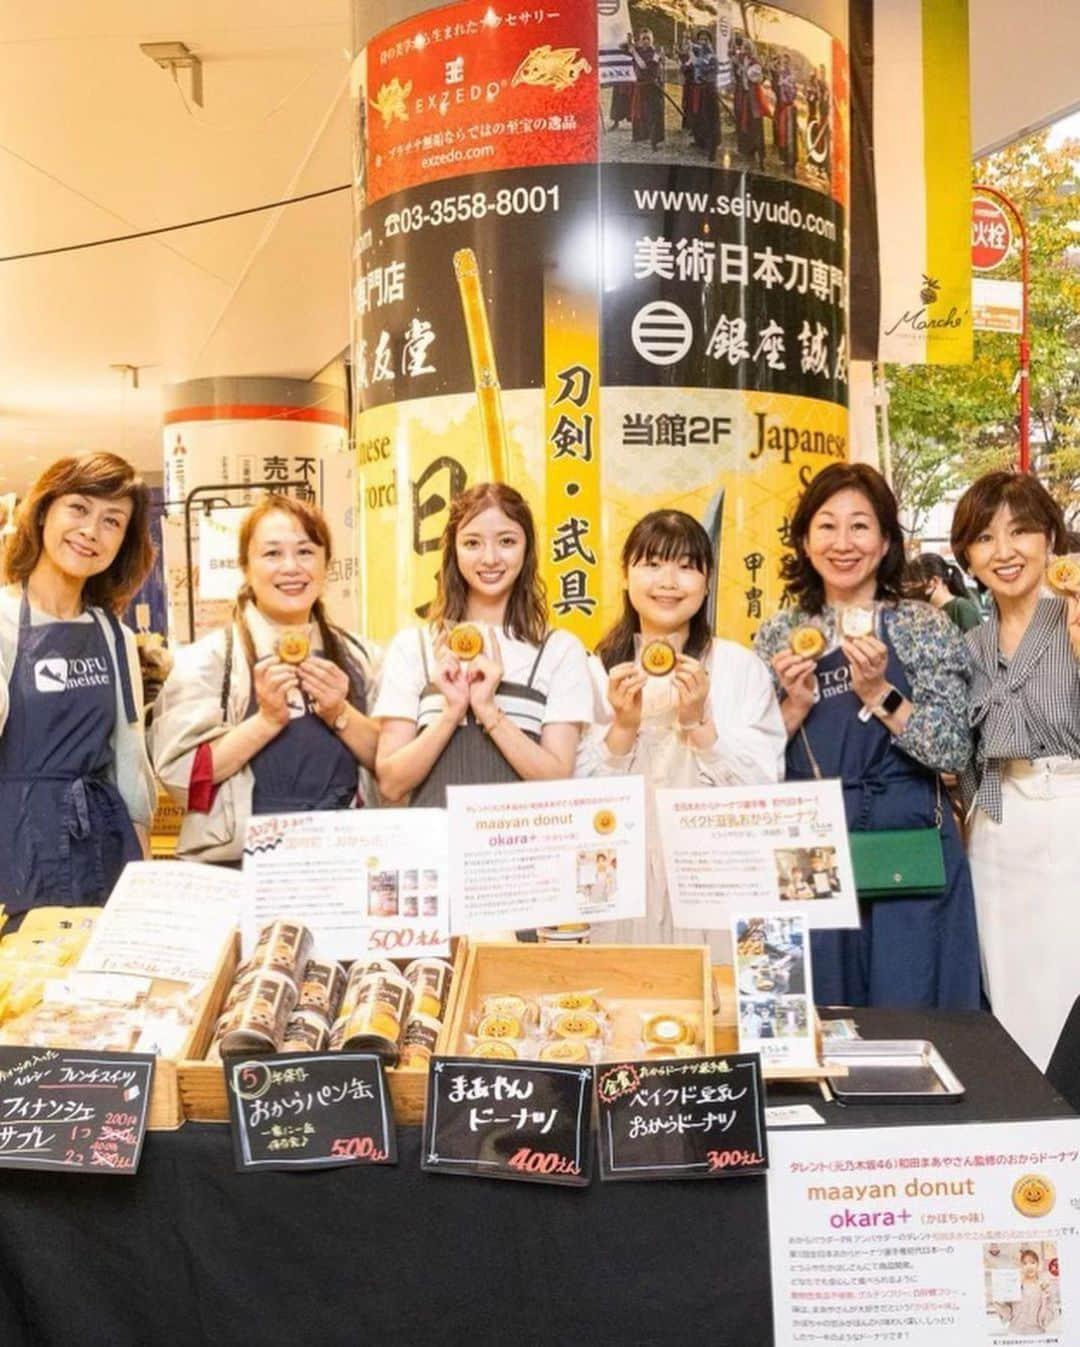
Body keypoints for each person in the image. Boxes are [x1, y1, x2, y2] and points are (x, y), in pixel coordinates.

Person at [753, 463, 980, 1009]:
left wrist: (880, 692)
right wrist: (793, 702)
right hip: (809, 841)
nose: (843, 543)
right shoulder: (778, 634)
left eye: (860, 526)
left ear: (884, 543)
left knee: (915, 1011)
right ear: (805, 542)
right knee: (815, 1009)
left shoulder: (922, 626)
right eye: (827, 526)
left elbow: (952, 749)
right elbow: (752, 763)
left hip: (909, 837)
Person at [577, 509, 785, 953]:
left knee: (719, 1005)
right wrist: (623, 728)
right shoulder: (593, 672)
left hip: (715, 880)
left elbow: (766, 791)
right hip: (621, 883)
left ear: (707, 582)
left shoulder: (738, 667)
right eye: (652, 564)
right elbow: (573, 800)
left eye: (687, 566)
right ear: (625, 576)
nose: (668, 581)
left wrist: (698, 724)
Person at [151, 495, 379, 862]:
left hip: (344, 860)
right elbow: (183, 778)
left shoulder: (363, 657)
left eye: (305, 552)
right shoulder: (208, 660)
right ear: (245, 566)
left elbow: (396, 768)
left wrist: (340, 712)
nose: (291, 567)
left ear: (326, 565)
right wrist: (266, 721)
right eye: (272, 554)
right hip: (241, 864)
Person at [951, 471, 1080, 1068]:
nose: (1004, 552)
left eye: (1021, 531)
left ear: (1051, 538)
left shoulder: (1074, 617)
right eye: (984, 538)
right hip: (997, 827)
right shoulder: (969, 645)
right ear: (967, 556)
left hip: (1070, 810)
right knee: (1008, 981)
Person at [0, 452, 155, 911]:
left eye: (113, 521)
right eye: (79, 508)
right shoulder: (4, 621)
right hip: (15, 841)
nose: (91, 531)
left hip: (103, 843)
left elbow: (129, 761)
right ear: (45, 510)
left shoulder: (115, 636)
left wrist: (142, 875)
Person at [374, 483, 592, 807]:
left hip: (524, 851)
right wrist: (452, 712)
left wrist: (489, 710)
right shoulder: (414, 647)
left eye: (506, 541)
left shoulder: (559, 650)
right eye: (472, 543)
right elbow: (391, 784)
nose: (490, 558)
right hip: (435, 852)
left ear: (527, 549)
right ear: (453, 551)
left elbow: (557, 781)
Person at [904, 552, 982, 631]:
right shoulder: (923, 612)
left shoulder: (962, 608)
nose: (908, 587)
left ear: (934, 581)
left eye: (914, 581)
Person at [993, 1249, 1054, 1335]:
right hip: (1015, 1333)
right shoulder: (1014, 1285)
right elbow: (1008, 1314)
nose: (1029, 1267)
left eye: (1032, 1262)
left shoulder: (1044, 1287)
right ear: (1021, 1266)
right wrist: (998, 1297)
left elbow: (1045, 1319)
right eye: (1025, 1263)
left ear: (1038, 1265)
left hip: (1037, 1334)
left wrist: (1044, 1301)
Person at [624, 29, 665, 150]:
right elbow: (627, 52)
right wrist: (630, 43)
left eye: (648, 38)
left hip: (652, 87)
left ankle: (654, 141)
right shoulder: (638, 51)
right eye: (643, 39)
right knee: (640, 113)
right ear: (640, 41)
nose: (646, 41)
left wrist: (634, 52)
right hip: (640, 87)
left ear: (652, 40)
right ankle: (640, 136)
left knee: (654, 114)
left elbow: (644, 66)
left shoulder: (655, 52)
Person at [772, 55, 798, 172]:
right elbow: (777, 87)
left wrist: (785, 85)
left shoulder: (790, 76)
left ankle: (790, 161)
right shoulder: (781, 74)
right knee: (782, 134)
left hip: (788, 108)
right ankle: (784, 158)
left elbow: (792, 92)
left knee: (789, 135)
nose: (784, 64)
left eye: (786, 62)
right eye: (784, 62)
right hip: (782, 107)